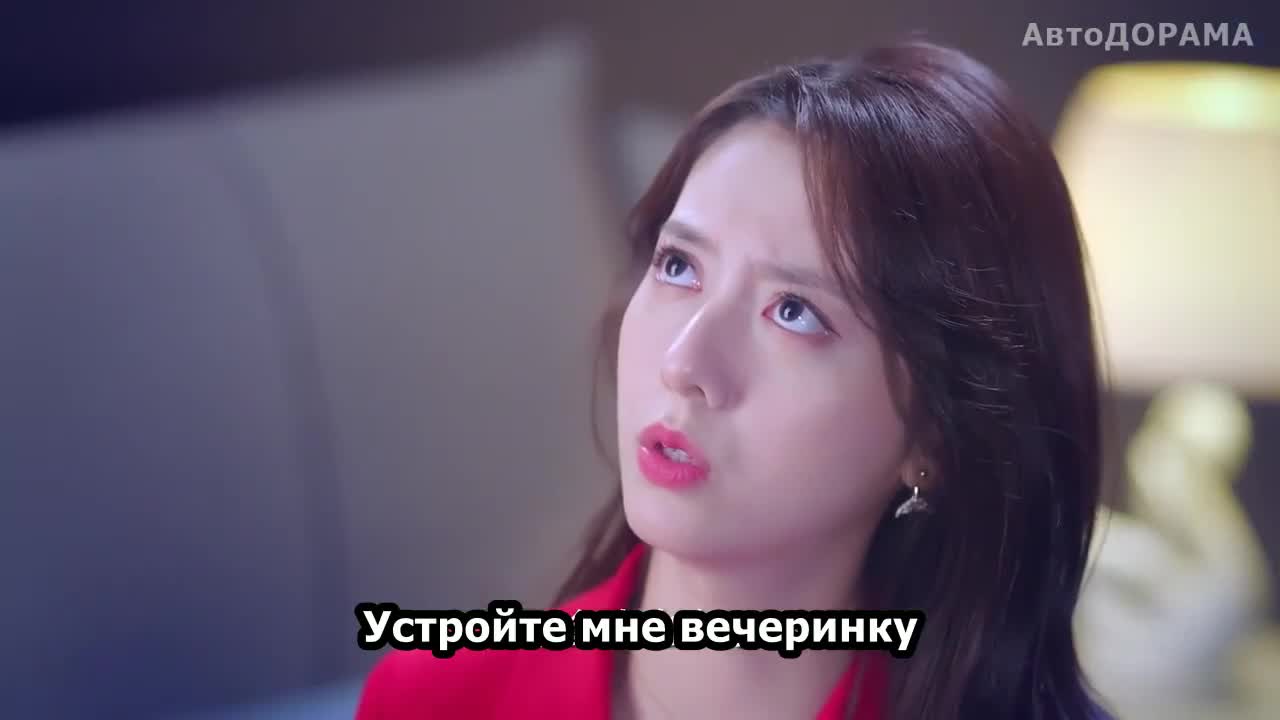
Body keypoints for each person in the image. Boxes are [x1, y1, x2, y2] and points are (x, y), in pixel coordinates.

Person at [355, 38, 1113, 720]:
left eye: (794, 312)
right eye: (678, 266)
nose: (684, 364)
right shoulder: (436, 702)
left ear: (935, 438)